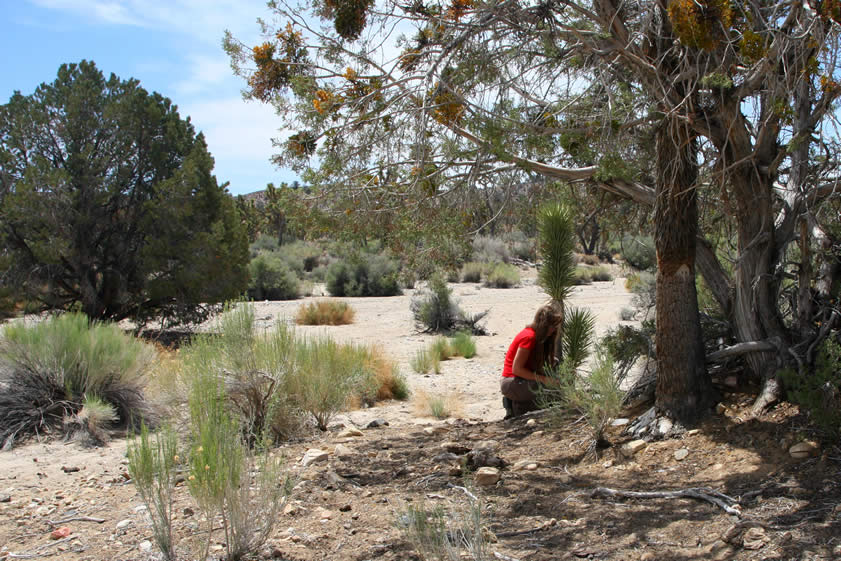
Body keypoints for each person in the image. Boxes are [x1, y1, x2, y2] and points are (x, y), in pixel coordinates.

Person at [500, 301, 564, 419]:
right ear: (544, 324)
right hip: (512, 382)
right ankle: (513, 405)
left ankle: (517, 406)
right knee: (548, 390)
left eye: (555, 326)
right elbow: (517, 369)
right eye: (551, 326)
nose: (554, 329)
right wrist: (544, 379)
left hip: (521, 381)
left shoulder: (542, 338)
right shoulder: (529, 337)